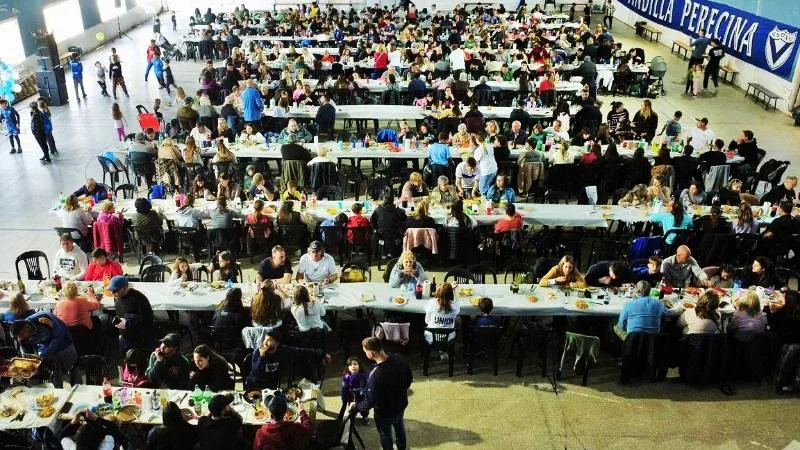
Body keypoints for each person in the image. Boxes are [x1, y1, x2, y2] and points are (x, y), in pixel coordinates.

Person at [357, 337, 413, 450]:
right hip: (401, 405)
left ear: (371, 354)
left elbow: (370, 401)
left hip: (384, 413)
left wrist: (357, 406)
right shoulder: (399, 358)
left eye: (365, 352)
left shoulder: (376, 375)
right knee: (399, 426)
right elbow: (409, 378)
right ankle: (401, 447)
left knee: (385, 434)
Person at [246, 330, 331, 389]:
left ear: (277, 343)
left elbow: (302, 352)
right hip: (255, 384)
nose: (265, 342)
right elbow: (258, 373)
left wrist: (322, 354)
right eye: (265, 339)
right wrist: (262, 356)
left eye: (269, 340)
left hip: (271, 386)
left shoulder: (283, 351)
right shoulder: (258, 352)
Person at [11, 311, 76, 387]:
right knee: (53, 374)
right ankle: (57, 388)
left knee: (72, 372)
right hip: (46, 349)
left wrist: (44, 354)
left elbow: (59, 336)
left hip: (64, 345)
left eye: (22, 335)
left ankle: (76, 387)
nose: (21, 338)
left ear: (26, 327)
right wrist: (32, 366)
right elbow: (28, 354)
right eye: (19, 336)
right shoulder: (22, 338)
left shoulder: (44, 320)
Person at [109, 276, 154, 351]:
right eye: (112, 290)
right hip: (124, 335)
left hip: (138, 338)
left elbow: (147, 321)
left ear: (124, 288)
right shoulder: (117, 296)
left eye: (115, 290)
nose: (113, 293)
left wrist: (127, 324)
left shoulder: (139, 299)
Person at [341, 357, 369, 423]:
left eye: (355, 364)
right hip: (352, 396)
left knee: (364, 408)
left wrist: (365, 392)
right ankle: (353, 417)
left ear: (359, 365)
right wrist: (344, 398)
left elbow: (368, 385)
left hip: (362, 396)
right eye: (350, 365)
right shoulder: (346, 377)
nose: (353, 366)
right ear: (347, 367)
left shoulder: (364, 375)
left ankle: (365, 416)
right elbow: (344, 388)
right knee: (352, 408)